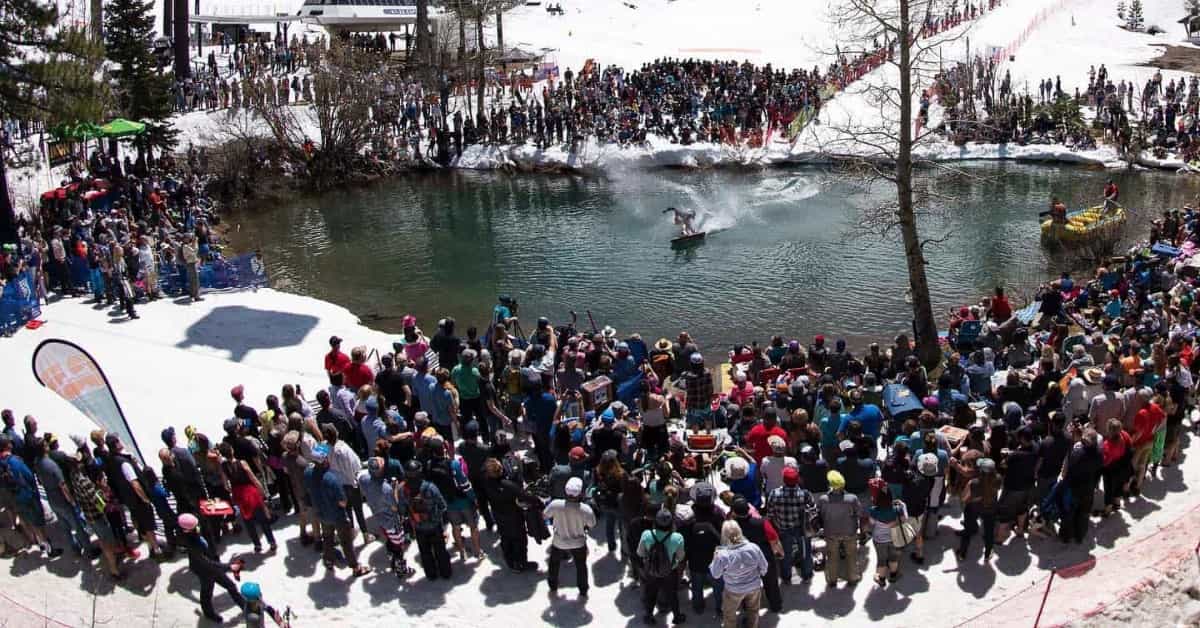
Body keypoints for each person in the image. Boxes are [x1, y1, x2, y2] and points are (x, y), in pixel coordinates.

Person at [304, 444, 371, 576]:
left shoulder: (308, 474)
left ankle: (328, 560)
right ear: (324, 460)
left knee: (327, 538)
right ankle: (355, 567)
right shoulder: (331, 479)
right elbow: (343, 501)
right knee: (346, 542)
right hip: (337, 516)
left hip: (321, 514)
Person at [176, 513, 246, 623]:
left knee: (230, 586)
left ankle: (244, 606)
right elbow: (207, 563)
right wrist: (229, 567)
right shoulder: (192, 543)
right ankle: (209, 614)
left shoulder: (193, 534)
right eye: (195, 527)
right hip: (204, 570)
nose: (198, 527)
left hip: (210, 564)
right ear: (187, 530)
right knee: (207, 592)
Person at [481, 457, 540, 572]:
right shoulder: (508, 485)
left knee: (505, 538)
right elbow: (526, 497)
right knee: (519, 541)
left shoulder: (486, 483)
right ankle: (520, 564)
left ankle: (510, 561)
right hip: (513, 517)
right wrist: (537, 500)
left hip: (498, 515)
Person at [399, 459, 452, 580]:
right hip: (434, 525)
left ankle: (431, 574)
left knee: (425, 552)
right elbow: (443, 506)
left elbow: (402, 510)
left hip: (418, 526)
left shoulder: (403, 490)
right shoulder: (430, 487)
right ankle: (445, 573)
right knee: (440, 550)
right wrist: (436, 517)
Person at [710, 520, 768, 628]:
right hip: (754, 586)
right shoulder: (753, 547)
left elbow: (715, 574)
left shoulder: (722, 555)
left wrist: (715, 557)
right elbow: (764, 567)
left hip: (733, 590)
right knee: (753, 610)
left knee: (729, 614)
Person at [546, 476, 596, 597]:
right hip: (578, 543)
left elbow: (545, 516)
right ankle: (583, 589)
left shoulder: (555, 504)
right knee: (581, 566)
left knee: (554, 563)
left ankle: (552, 585)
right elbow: (592, 524)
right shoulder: (586, 509)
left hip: (559, 541)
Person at [730, 496, 782, 612]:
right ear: (748, 509)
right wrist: (779, 552)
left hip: (743, 561)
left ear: (734, 512)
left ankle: (749, 611)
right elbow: (774, 539)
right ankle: (776, 605)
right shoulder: (762, 522)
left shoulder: (731, 527)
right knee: (771, 582)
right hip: (764, 556)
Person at [764, 466, 815, 584]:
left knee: (785, 554)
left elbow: (770, 513)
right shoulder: (805, 494)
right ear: (797, 480)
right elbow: (813, 510)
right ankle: (807, 574)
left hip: (783, 529)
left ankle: (786, 577)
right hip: (802, 529)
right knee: (805, 552)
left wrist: (777, 524)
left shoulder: (774, 493)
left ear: (784, 479)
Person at [637, 509, 687, 625]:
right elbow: (681, 557)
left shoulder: (646, 534)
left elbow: (640, 553)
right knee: (672, 595)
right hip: (670, 572)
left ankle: (649, 617)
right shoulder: (677, 537)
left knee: (651, 594)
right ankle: (677, 617)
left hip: (651, 571)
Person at [818, 470, 862, 587]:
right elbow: (859, 513)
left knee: (832, 556)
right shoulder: (852, 498)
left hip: (831, 532)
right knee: (851, 555)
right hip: (849, 531)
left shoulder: (823, 499)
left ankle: (832, 580)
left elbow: (820, 514)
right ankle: (852, 578)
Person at [957, 457, 1000, 561]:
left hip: (973, 509)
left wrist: (968, 487)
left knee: (967, 531)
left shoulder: (974, 483)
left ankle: (962, 554)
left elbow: (964, 499)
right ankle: (988, 553)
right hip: (990, 508)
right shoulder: (998, 479)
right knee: (989, 532)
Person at [866, 485, 906, 586]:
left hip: (879, 540)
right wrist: (903, 506)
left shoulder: (873, 510)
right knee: (893, 558)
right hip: (894, 539)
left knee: (881, 560)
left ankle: (881, 579)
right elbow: (904, 520)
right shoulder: (897, 509)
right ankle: (893, 575)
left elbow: (871, 523)